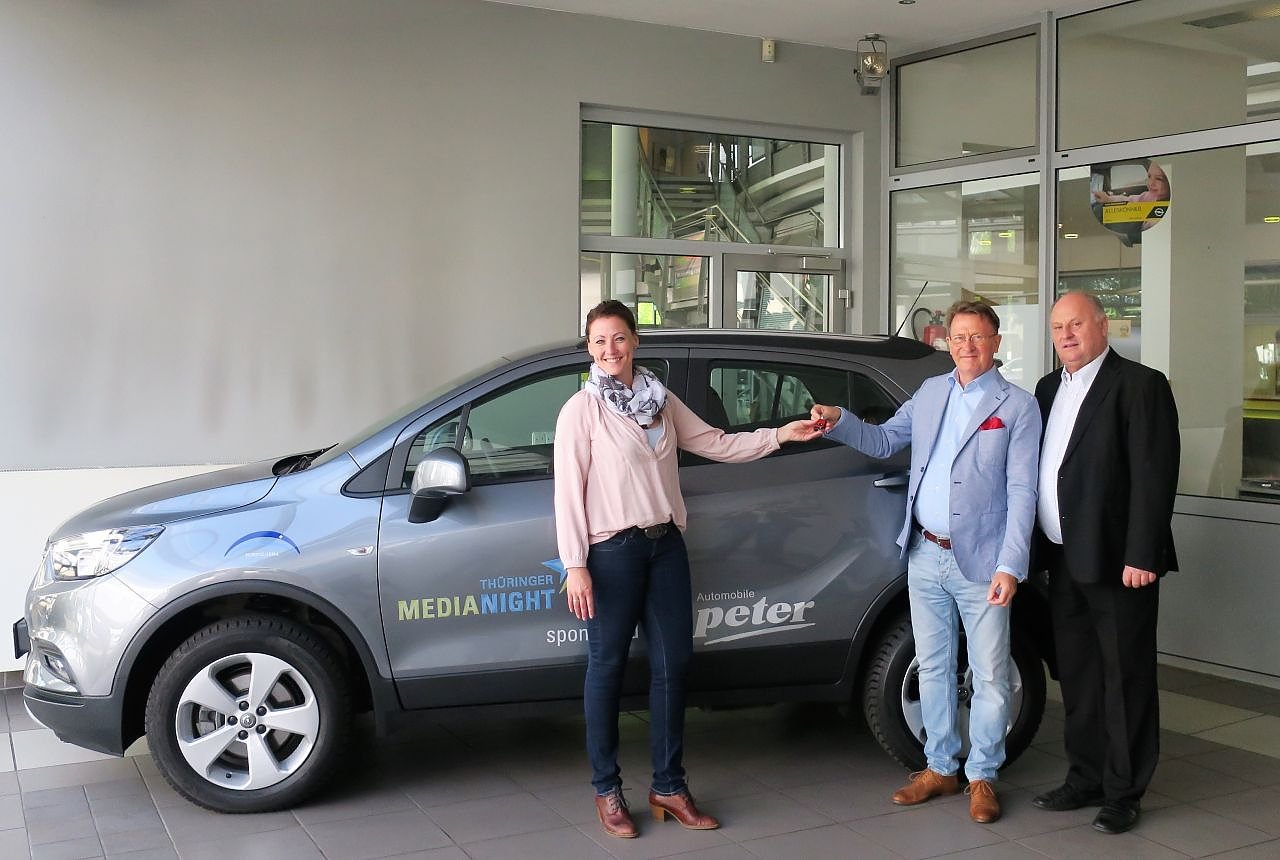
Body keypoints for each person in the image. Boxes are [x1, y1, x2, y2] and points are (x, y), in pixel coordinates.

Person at [553, 300, 821, 839]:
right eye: (600, 341)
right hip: (611, 553)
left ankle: (669, 787)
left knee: (674, 664)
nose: (610, 349)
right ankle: (607, 790)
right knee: (606, 668)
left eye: (619, 338)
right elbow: (567, 493)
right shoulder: (581, 411)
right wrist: (575, 565)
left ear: (636, 341)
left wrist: (780, 435)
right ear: (589, 349)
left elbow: (716, 443)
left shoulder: (661, 400)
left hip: (665, 547)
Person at [811, 300, 1039, 824]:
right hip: (924, 551)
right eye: (958, 337)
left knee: (989, 673)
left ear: (996, 343)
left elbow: (1022, 491)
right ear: (947, 342)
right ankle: (939, 767)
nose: (967, 346)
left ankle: (983, 775)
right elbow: (884, 439)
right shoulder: (932, 392)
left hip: (983, 561)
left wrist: (1011, 565)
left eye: (977, 337)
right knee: (933, 664)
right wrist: (839, 420)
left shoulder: (1017, 406)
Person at [1030, 292, 1179, 835]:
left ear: (1102, 326)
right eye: (1057, 328)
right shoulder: (1048, 388)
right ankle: (1085, 777)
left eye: (1075, 324)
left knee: (1125, 677)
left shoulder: (1141, 385)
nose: (1065, 336)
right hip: (1063, 557)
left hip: (1120, 563)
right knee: (1079, 675)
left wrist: (1143, 553)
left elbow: (1154, 475)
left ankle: (1123, 791)